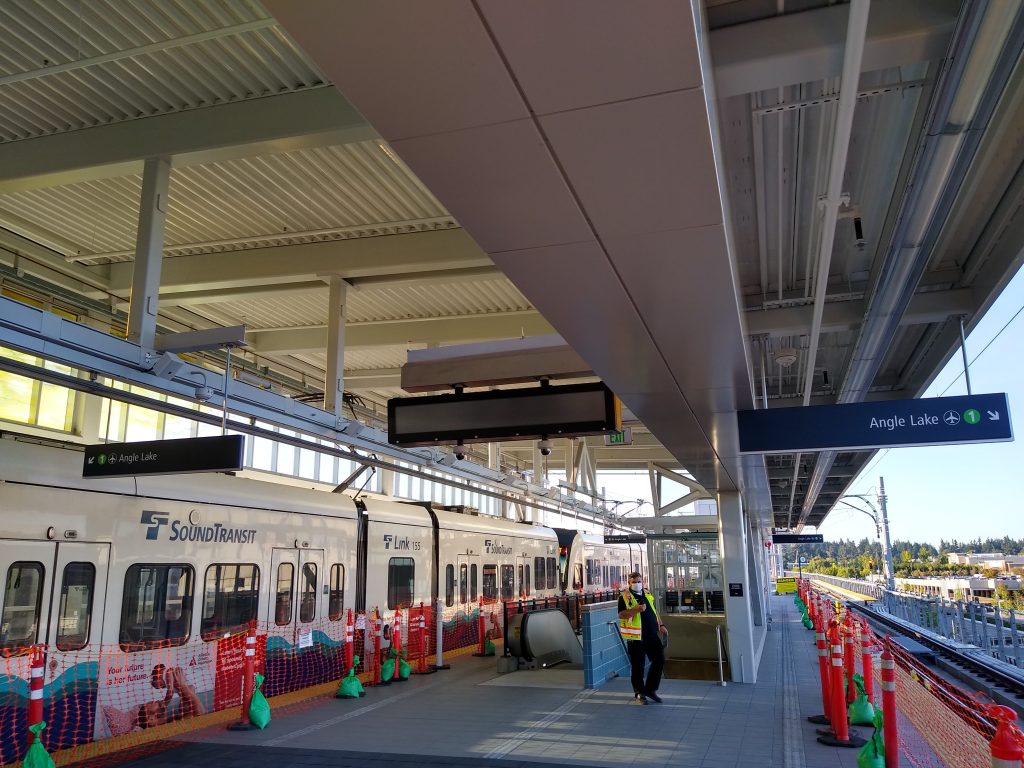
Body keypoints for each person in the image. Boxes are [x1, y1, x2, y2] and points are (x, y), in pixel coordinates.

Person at [618, 571, 666, 704]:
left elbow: (655, 611)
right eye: (634, 582)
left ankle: (650, 689)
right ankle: (639, 692)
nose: (637, 584)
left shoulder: (648, 595)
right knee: (638, 666)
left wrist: (661, 624)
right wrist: (637, 610)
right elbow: (622, 615)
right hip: (636, 637)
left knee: (659, 659)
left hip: (651, 634)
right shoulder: (625, 597)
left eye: (639, 581)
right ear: (629, 583)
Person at [136, 665, 204, 729]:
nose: (156, 700)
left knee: (183, 708)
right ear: (151, 719)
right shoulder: (173, 725)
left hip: (188, 688)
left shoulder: (173, 720)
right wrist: (182, 685)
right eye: (151, 702)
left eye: (161, 685)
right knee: (184, 707)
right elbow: (199, 713)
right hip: (186, 687)